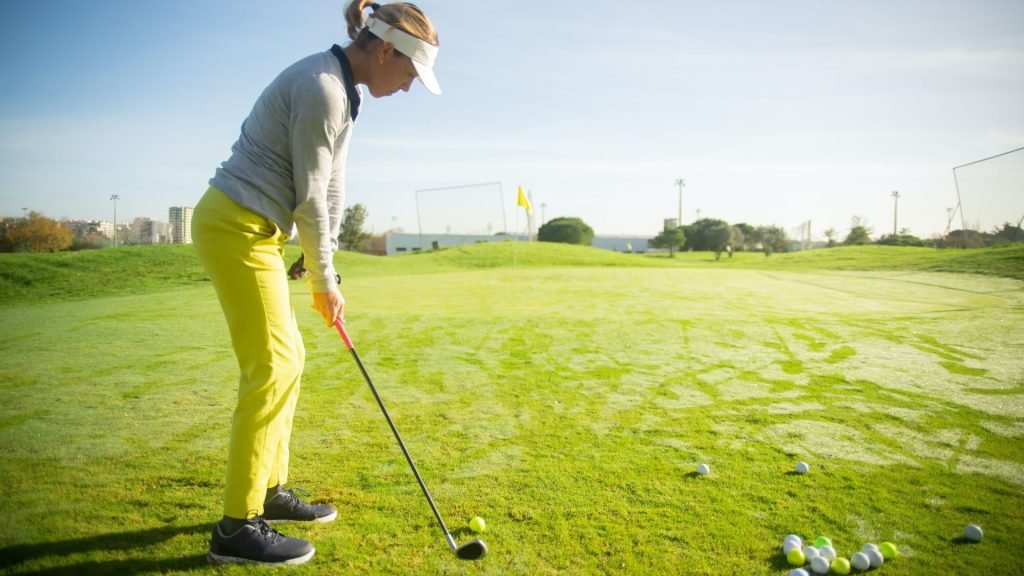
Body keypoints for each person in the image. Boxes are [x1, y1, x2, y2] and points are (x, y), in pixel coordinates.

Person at [191, 0, 441, 566]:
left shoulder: (344, 93)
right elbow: (309, 197)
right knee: (271, 369)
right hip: (237, 226)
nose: (407, 89)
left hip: (259, 228)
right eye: (409, 75)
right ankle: (237, 526)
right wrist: (324, 279)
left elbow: (330, 189)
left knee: (290, 358)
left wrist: (321, 261)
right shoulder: (323, 87)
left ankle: (268, 490)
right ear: (384, 50)